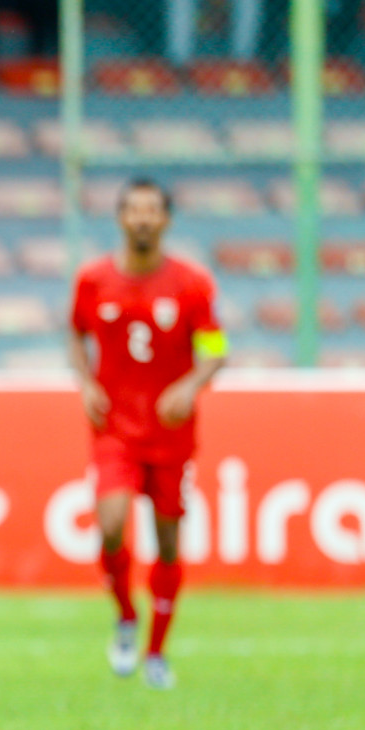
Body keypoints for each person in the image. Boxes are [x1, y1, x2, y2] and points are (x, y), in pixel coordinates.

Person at [68, 179, 227, 691]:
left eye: (151, 210)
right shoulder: (93, 280)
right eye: (133, 209)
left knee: (168, 543)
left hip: (171, 435)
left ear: (166, 220)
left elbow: (215, 350)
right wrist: (86, 380)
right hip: (115, 429)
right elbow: (75, 333)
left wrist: (192, 384)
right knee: (111, 525)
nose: (141, 218)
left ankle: (156, 652)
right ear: (120, 218)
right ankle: (125, 616)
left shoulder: (193, 284)